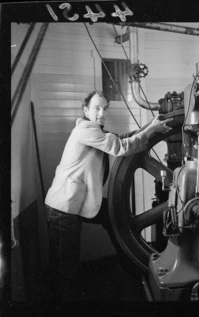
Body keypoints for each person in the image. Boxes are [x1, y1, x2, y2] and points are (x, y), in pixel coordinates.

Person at [44, 90, 172, 300]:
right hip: (63, 208)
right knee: (65, 268)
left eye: (104, 108)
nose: (101, 113)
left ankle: (130, 265)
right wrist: (151, 131)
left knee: (114, 217)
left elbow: (122, 137)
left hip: (80, 201)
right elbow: (121, 146)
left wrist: (151, 126)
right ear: (86, 110)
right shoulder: (86, 130)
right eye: (97, 108)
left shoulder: (95, 131)